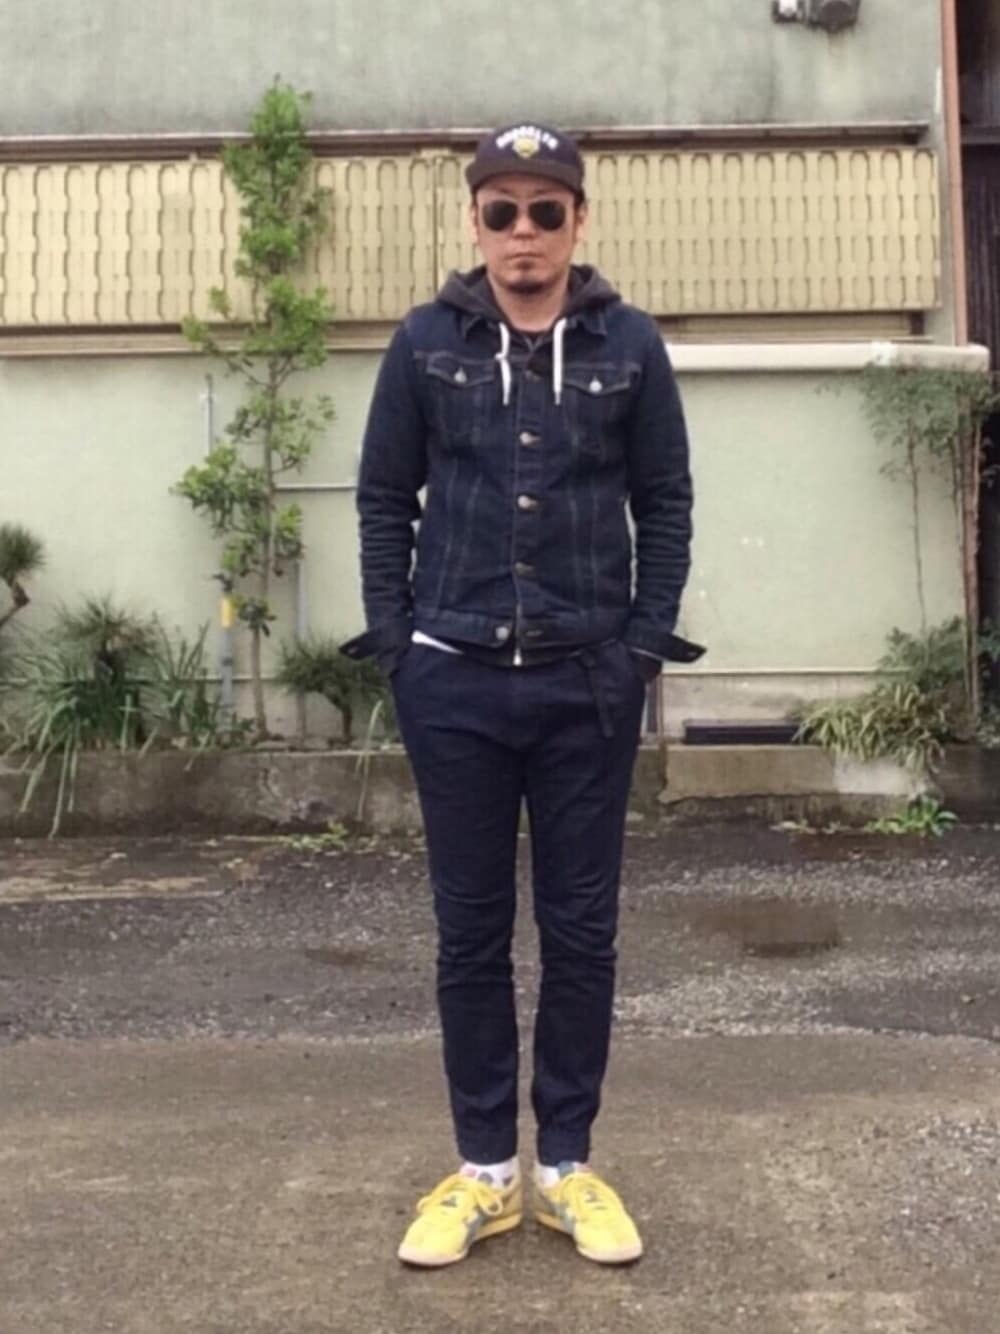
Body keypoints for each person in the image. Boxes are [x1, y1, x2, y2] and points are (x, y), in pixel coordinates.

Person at [341, 121, 700, 1268]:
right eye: (502, 211)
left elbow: (666, 500)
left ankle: (567, 1167)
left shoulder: (628, 345)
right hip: (451, 679)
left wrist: (638, 648)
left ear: (578, 221)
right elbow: (382, 497)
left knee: (581, 931)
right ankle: (486, 1171)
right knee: (470, 932)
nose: (524, 232)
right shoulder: (423, 343)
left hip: (586, 682)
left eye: (546, 210)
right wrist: (399, 646)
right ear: (476, 222)